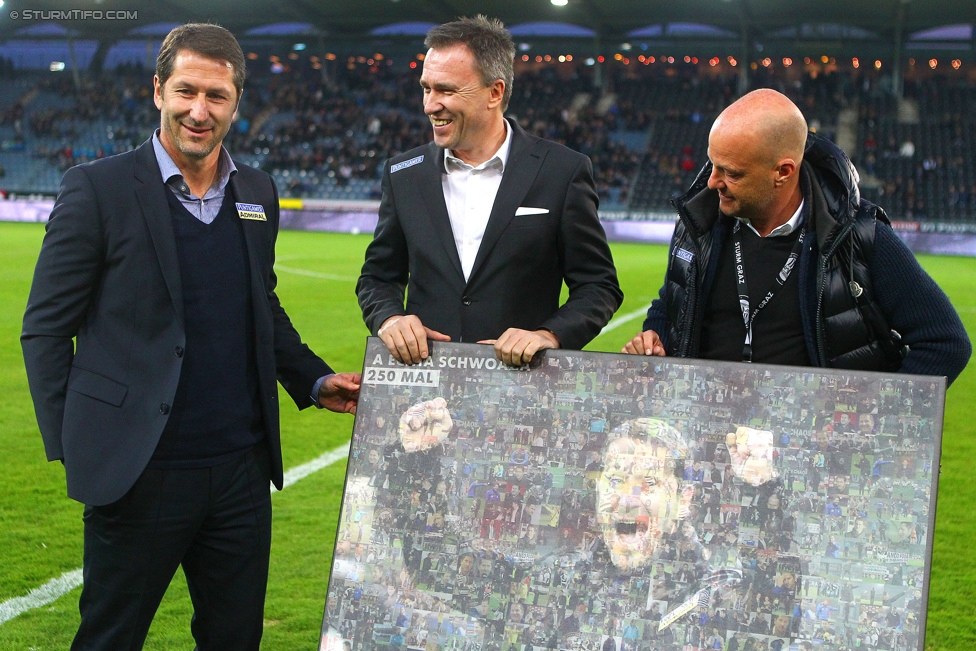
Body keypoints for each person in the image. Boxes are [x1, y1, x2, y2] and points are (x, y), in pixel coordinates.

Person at [20, 23, 361, 650]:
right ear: (158, 91)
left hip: (239, 470)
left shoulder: (257, 191)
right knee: (109, 637)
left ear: (236, 103)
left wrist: (313, 378)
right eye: (186, 92)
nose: (199, 112)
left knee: (233, 640)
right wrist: (75, 440)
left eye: (216, 96)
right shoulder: (96, 190)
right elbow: (45, 327)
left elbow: (262, 305)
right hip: (139, 469)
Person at [622, 89, 970, 385]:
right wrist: (655, 337)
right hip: (711, 444)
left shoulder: (859, 238)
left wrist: (875, 415)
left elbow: (945, 343)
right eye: (713, 164)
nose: (713, 182)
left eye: (732, 172)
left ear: (783, 172)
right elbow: (672, 304)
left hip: (809, 455)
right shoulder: (697, 226)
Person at [357, 15, 622, 367]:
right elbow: (378, 276)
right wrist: (389, 319)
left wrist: (548, 335)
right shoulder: (404, 172)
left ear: (494, 92)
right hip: (426, 381)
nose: (429, 105)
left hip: (520, 386)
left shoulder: (561, 171)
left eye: (447, 90)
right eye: (426, 88)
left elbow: (598, 286)